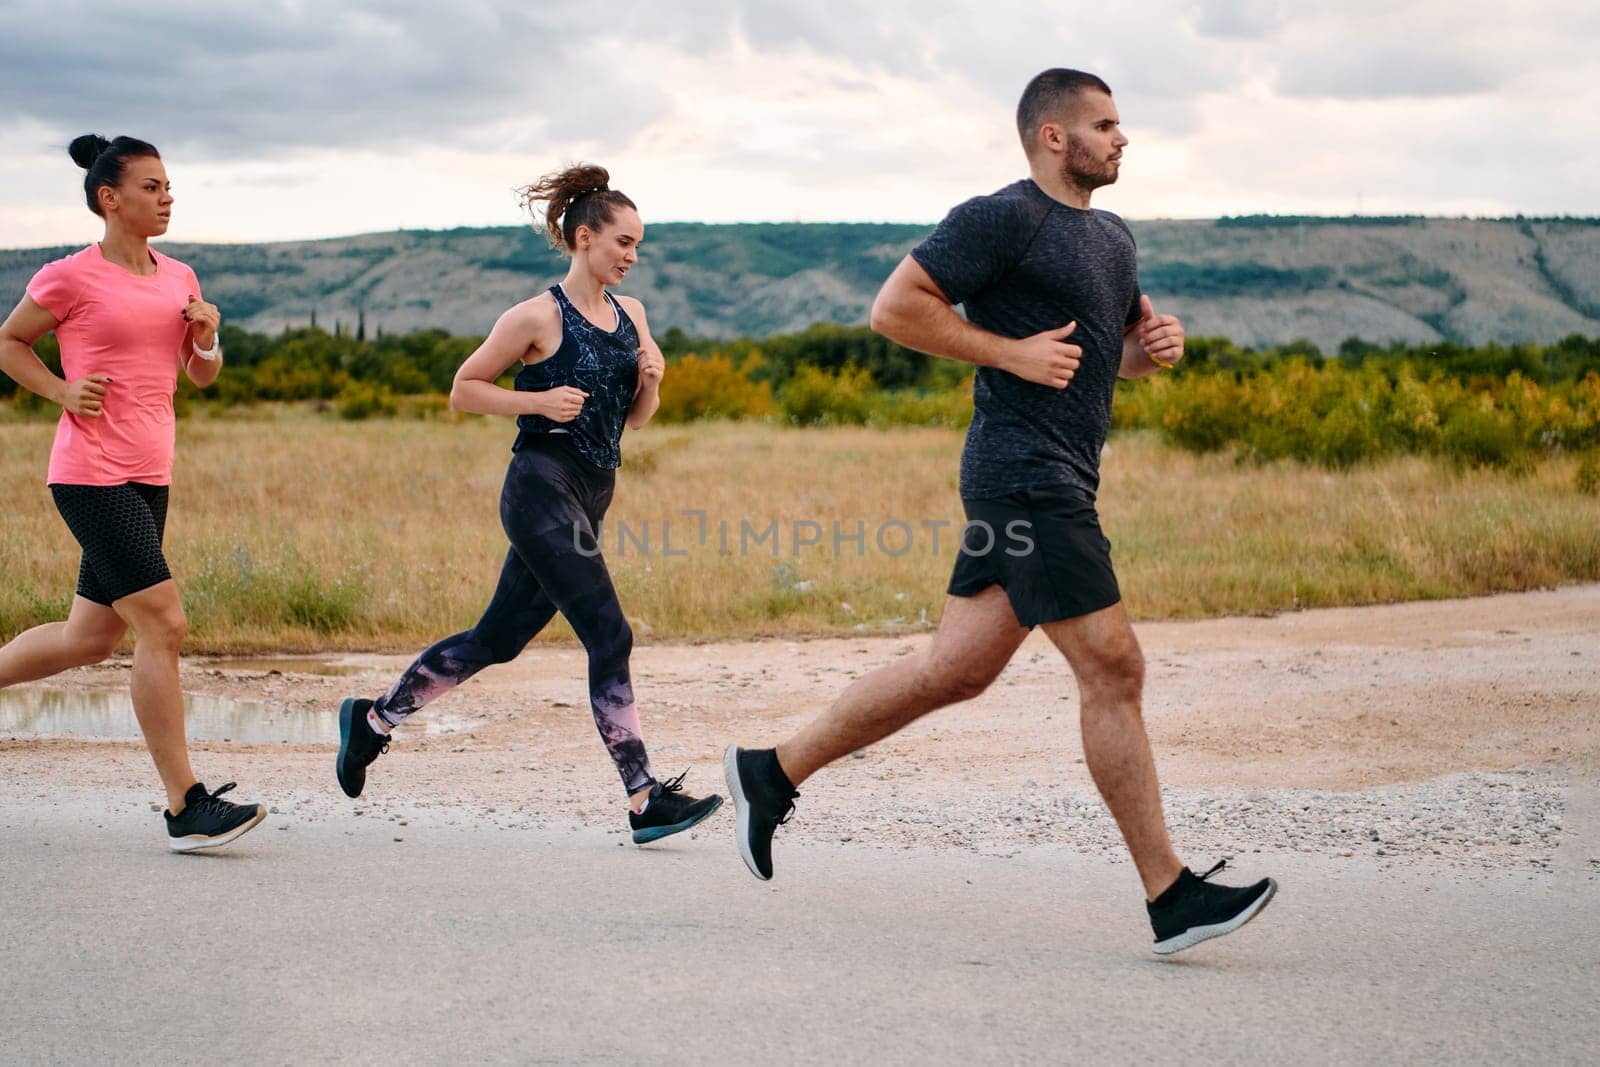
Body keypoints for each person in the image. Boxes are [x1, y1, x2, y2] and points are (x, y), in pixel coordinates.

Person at [724, 70, 1276, 954]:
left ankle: (770, 772)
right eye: (1104, 124)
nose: (1122, 137)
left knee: (956, 669)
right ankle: (1169, 894)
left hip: (1052, 476)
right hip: (1025, 477)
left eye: (1121, 122)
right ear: (1054, 137)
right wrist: (1005, 353)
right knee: (1114, 667)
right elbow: (895, 307)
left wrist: (1152, 347)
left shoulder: (1112, 238)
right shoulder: (1001, 216)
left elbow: (1111, 356)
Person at [336, 163, 722, 844]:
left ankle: (372, 721)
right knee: (610, 633)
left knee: (498, 640)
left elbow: (636, 420)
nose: (632, 256)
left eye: (638, 245)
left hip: (591, 491)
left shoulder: (633, 317)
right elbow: (464, 389)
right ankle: (643, 799)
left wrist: (653, 383)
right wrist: (537, 401)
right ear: (582, 238)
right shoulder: (536, 317)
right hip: (540, 488)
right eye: (622, 242)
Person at [0, 134, 266, 852]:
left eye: (169, 185)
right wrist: (61, 389)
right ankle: (186, 804)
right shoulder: (69, 276)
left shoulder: (180, 274)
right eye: (151, 187)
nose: (167, 196)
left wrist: (208, 338)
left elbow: (201, 375)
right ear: (109, 199)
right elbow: (8, 341)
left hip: (151, 474)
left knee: (89, 638)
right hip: (89, 473)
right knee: (164, 624)